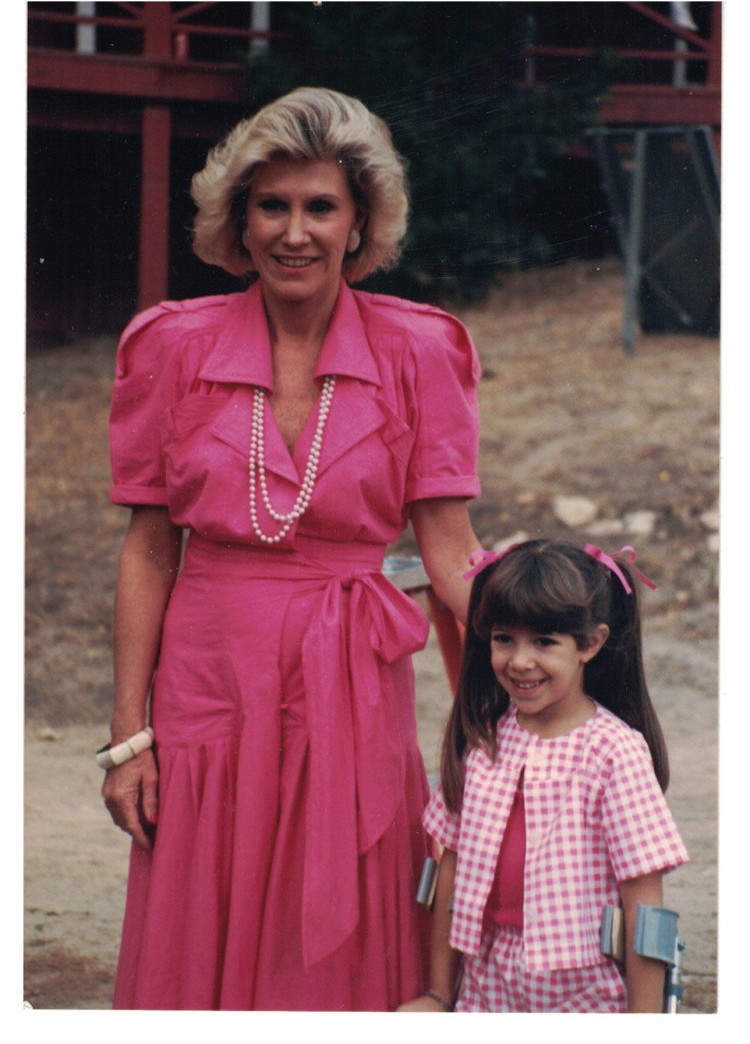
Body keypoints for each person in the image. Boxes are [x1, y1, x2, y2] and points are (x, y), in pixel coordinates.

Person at [100, 86, 482, 1011]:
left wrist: (537, 694)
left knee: (347, 902)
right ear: (240, 219)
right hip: (208, 678)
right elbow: (150, 552)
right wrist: (125, 739)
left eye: (321, 207)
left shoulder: (420, 348)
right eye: (273, 205)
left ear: (360, 223)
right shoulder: (169, 345)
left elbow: (452, 558)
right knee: (205, 904)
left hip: (351, 676)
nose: (296, 232)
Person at [399, 539, 688, 1013]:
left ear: (590, 643)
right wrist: (438, 993)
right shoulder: (484, 743)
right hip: (487, 983)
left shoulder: (613, 753)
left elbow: (645, 904)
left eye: (545, 642)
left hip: (581, 993)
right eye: (504, 638)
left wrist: (645, 1022)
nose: (520, 661)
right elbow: (449, 869)